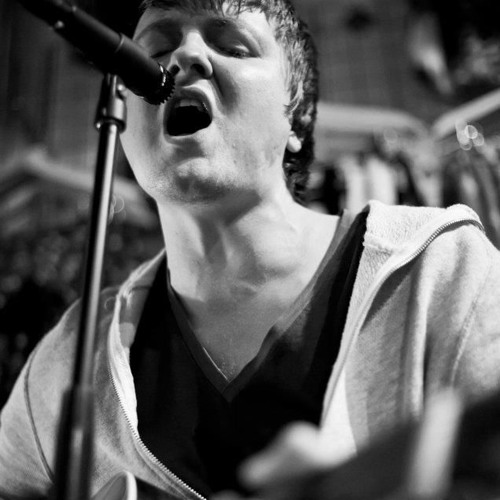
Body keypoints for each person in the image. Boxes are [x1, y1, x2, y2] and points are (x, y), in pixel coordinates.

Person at [1, 0, 500, 498]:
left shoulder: (442, 271)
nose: (185, 56)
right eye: (155, 50)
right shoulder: (65, 365)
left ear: (296, 115)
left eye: (233, 46)